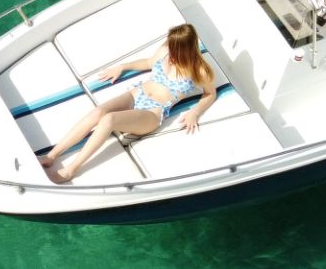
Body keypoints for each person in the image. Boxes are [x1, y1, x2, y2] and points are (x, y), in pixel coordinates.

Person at [41, 24, 217, 184]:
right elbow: (148, 63)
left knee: (109, 120)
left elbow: (210, 94)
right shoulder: (165, 49)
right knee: (98, 112)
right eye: (170, 45)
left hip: (152, 112)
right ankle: (51, 155)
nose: (170, 52)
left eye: (175, 50)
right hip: (137, 93)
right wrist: (123, 67)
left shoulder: (199, 69)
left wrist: (196, 111)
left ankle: (70, 170)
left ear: (185, 50)